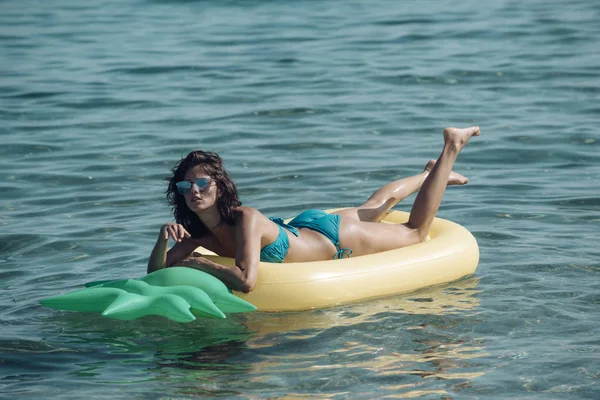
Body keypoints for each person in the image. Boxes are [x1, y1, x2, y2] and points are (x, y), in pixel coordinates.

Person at [148, 126, 480, 293]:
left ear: (219, 186)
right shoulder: (198, 235)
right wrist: (163, 239)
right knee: (374, 206)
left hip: (334, 238)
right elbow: (156, 274)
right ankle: (430, 174)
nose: (194, 191)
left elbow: (247, 281)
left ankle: (452, 145)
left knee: (415, 232)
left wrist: (203, 263)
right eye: (185, 186)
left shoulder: (245, 217)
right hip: (302, 227)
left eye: (202, 183)